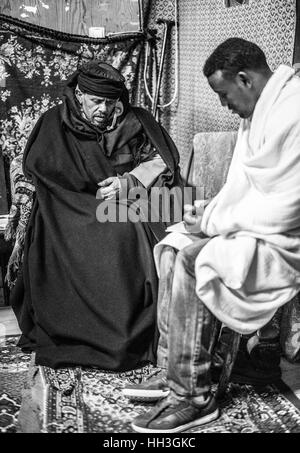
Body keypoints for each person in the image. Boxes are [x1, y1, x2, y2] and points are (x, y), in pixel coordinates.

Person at [126, 38, 300, 432]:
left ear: (245, 79)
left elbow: (288, 205)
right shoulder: (255, 114)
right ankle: (175, 370)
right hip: (253, 226)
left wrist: (212, 222)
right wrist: (208, 212)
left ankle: (194, 397)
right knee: (173, 246)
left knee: (194, 260)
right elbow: (243, 189)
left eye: (224, 94)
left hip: (284, 237)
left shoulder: (294, 112)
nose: (225, 105)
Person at [10, 60, 182, 371]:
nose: (103, 109)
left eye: (110, 102)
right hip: (67, 207)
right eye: (96, 101)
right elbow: (44, 174)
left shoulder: (135, 121)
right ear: (79, 94)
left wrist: (128, 183)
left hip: (125, 202)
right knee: (96, 234)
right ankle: (91, 330)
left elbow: (164, 161)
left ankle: (135, 329)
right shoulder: (54, 123)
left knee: (129, 229)